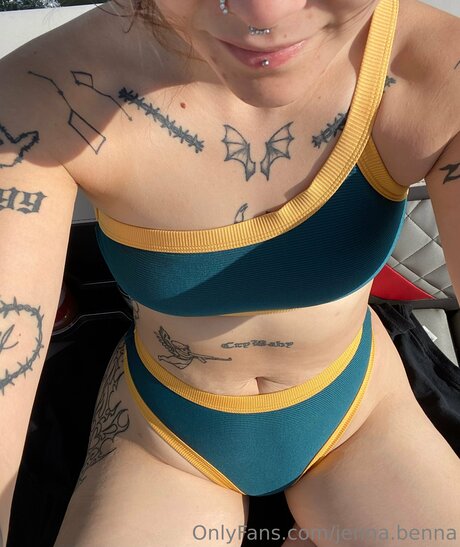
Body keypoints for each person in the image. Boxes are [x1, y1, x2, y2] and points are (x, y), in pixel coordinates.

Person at [0, 0, 459, 545]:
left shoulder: (436, 67)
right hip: (165, 431)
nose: (266, 10)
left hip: (358, 413)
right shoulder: (35, 98)